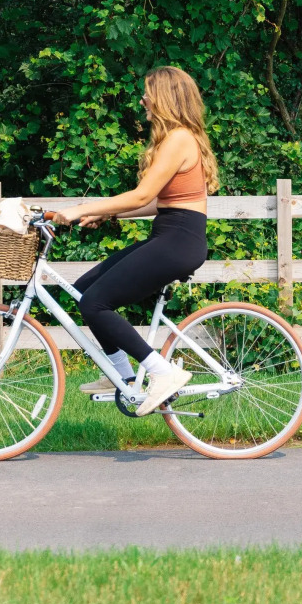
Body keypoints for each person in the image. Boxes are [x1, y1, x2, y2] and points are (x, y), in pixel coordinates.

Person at [48, 66, 216, 415]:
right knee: (85, 290)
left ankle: (162, 372)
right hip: (172, 233)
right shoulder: (180, 139)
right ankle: (121, 376)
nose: (143, 100)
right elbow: (159, 203)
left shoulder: (179, 139)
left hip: (178, 240)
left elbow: (141, 196)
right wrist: (105, 213)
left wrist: (81, 208)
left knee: (96, 302)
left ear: (165, 98)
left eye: (147, 93)